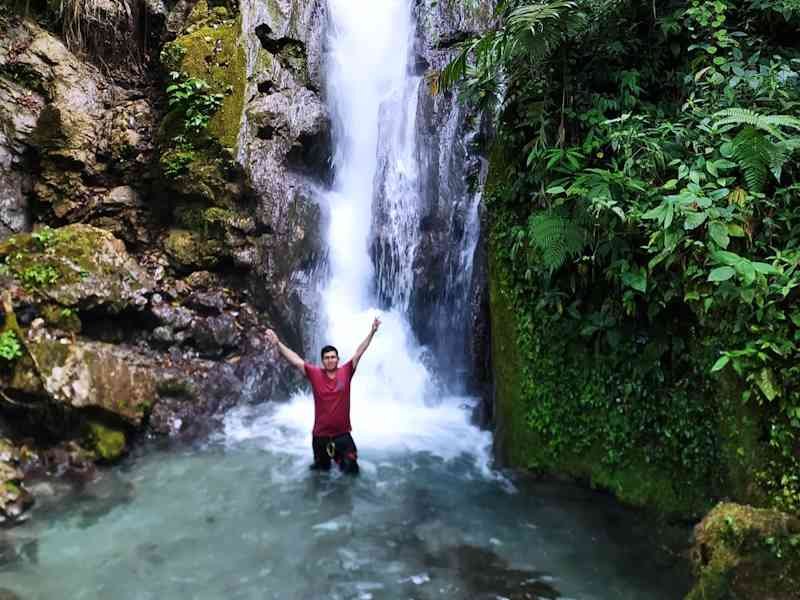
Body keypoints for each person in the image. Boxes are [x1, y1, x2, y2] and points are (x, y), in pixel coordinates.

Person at [265, 317, 381, 475]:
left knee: (352, 472)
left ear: (338, 359)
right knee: (320, 475)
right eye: (327, 358)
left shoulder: (346, 371)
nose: (330, 360)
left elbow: (359, 352)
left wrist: (372, 332)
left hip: (342, 435)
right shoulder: (315, 374)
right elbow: (296, 360)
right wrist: (277, 343)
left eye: (333, 357)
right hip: (320, 437)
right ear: (322, 361)